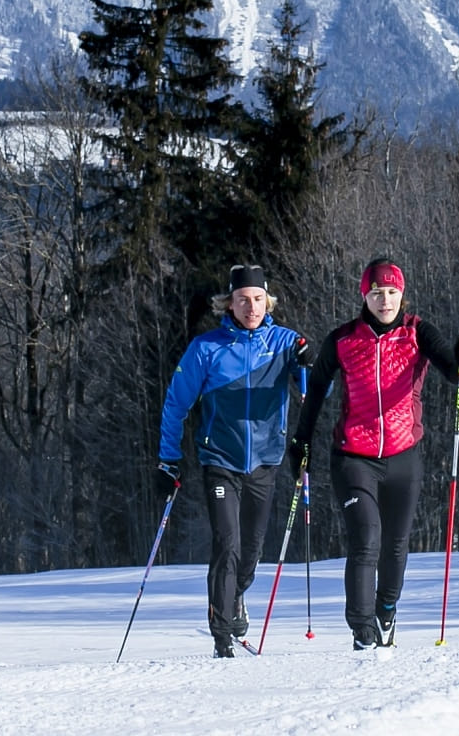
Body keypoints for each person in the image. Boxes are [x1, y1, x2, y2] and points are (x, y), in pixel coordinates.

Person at [287, 257, 459, 650]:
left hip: (403, 455)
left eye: (392, 292)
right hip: (353, 456)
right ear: (364, 294)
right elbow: (315, 389)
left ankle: (387, 609)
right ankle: (362, 631)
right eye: (377, 292)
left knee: (396, 543)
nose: (385, 300)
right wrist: (302, 441)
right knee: (366, 539)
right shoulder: (344, 339)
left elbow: (450, 367)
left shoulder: (418, 333)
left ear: (402, 294)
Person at [158, 264, 307, 658]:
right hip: (220, 459)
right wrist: (168, 458)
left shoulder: (284, 342)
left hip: (264, 461)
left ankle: (238, 595)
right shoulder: (206, 348)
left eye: (258, 299)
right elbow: (176, 403)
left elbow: (310, 388)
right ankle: (221, 637)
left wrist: (306, 363)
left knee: (251, 551)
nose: (251, 307)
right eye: (243, 300)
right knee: (227, 543)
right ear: (229, 303)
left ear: (267, 300)